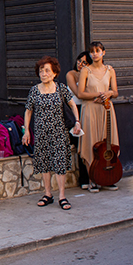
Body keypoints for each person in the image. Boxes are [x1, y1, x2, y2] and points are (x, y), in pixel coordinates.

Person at [23, 56, 82, 210]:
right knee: (44, 164)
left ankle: (62, 196)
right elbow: (28, 111)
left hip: (59, 133)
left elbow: (73, 105)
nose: (44, 73)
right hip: (41, 133)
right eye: (41, 71)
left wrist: (77, 121)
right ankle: (48, 194)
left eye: (47, 70)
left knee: (60, 164)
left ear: (54, 73)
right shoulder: (34, 90)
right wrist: (26, 131)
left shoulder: (61, 88)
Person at [77, 41, 119, 192]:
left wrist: (109, 93)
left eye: (97, 50)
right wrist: (99, 94)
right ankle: (92, 178)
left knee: (108, 141)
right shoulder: (85, 71)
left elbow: (115, 91)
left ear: (103, 52)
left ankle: (107, 177)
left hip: (106, 109)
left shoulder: (110, 70)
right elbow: (81, 93)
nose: (95, 54)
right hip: (90, 109)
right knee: (91, 142)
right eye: (92, 51)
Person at [65, 52, 91, 188]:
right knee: (81, 143)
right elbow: (78, 93)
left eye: (85, 63)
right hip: (74, 112)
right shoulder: (71, 74)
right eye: (79, 61)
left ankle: (93, 177)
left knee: (89, 143)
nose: (80, 64)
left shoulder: (90, 75)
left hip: (88, 109)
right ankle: (84, 179)